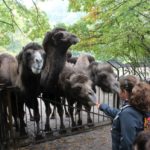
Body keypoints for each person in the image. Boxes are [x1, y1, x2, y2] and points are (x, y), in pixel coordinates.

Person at [96, 75, 150, 150]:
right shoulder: (141, 104)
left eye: (119, 89)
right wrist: (103, 107)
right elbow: (120, 113)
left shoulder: (128, 112)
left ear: (124, 92)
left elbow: (127, 144)